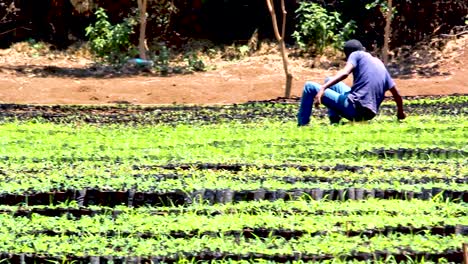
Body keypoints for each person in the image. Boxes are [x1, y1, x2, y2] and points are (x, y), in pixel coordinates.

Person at [297, 39, 406, 126]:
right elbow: (397, 95)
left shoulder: (355, 55)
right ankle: (334, 121)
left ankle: (302, 125)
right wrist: (400, 113)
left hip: (354, 109)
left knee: (309, 87)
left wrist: (323, 88)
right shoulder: (378, 62)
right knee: (329, 80)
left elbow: (345, 73)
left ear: (348, 55)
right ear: (363, 49)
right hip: (369, 113)